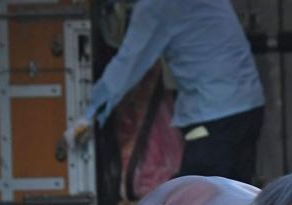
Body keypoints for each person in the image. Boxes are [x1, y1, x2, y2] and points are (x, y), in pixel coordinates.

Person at [65, 0, 265, 183]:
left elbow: (128, 64)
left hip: (214, 115)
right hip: (250, 107)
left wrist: (88, 114)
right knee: (237, 204)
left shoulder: (157, 5)